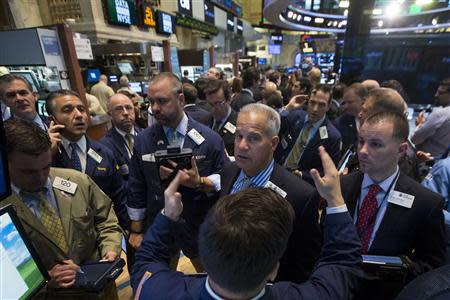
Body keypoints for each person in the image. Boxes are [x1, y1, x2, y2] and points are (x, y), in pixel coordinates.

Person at [131, 146, 363, 299]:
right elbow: (342, 263)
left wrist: (167, 216)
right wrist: (335, 200)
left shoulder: (158, 290)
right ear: (274, 270)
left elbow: (146, 260)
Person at [2, 119, 122, 299]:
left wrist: (110, 249)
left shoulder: (77, 181)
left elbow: (106, 220)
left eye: (46, 167)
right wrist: (44, 281)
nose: (41, 177)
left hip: (101, 291)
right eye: (28, 172)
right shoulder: (3, 208)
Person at [340, 111, 446, 300]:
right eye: (361, 141)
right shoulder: (340, 187)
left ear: (401, 150)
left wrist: (393, 269)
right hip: (334, 289)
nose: (363, 150)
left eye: (375, 144)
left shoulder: (425, 203)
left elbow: (432, 266)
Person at [127, 73, 226, 264]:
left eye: (162, 101)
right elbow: (137, 185)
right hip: (161, 223)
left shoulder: (210, 139)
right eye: (151, 102)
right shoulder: (143, 140)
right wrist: (136, 229)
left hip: (199, 224)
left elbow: (225, 177)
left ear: (180, 99)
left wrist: (200, 182)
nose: (154, 108)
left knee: (208, 280)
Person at [219, 103, 321, 283]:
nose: (242, 146)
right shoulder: (228, 172)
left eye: (253, 139)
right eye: (238, 136)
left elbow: (303, 264)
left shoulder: (300, 195)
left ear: (273, 143)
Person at [45, 90, 129, 229]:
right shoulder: (46, 156)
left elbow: (119, 199)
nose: (78, 115)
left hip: (105, 231)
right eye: (68, 110)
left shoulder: (105, 153)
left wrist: (126, 231)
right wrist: (47, 154)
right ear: (53, 120)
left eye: (81, 109)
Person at [276, 84, 342, 185]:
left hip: (301, 185)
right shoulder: (294, 117)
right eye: (312, 102)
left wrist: (302, 175)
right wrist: (288, 108)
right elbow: (273, 132)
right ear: (308, 101)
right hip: (277, 172)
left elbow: (327, 170)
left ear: (328, 107)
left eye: (321, 105)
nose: (315, 109)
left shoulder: (333, 137)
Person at [100, 93, 142, 183]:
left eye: (129, 108)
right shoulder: (104, 146)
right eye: (119, 109)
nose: (126, 113)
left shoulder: (146, 136)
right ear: (109, 114)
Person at [411, 78, 450, 157]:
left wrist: (420, 125)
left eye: (440, 92)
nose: (436, 95)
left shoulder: (440, 113)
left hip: (427, 163)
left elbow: (415, 139)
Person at [205, 79, 237, 157]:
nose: (213, 109)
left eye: (218, 103)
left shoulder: (239, 123)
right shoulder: (204, 121)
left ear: (229, 99)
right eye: (210, 104)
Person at [334, 83, 368, 153]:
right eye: (345, 102)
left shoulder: (376, 120)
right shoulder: (340, 123)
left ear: (363, 101)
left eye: (350, 102)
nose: (346, 106)